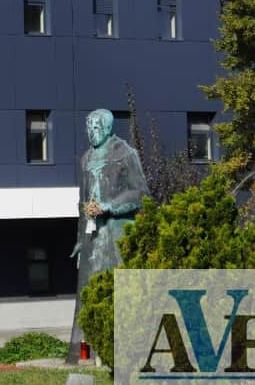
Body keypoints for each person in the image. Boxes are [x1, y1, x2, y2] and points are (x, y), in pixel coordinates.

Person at [68, 108, 146, 358]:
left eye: (96, 127)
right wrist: (80, 240)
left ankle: (124, 347)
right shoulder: (86, 158)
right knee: (89, 289)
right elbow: (82, 201)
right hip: (92, 236)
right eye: (88, 128)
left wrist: (109, 206)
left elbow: (140, 193)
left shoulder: (125, 153)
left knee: (118, 288)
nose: (91, 133)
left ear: (108, 128)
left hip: (117, 232)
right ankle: (85, 350)